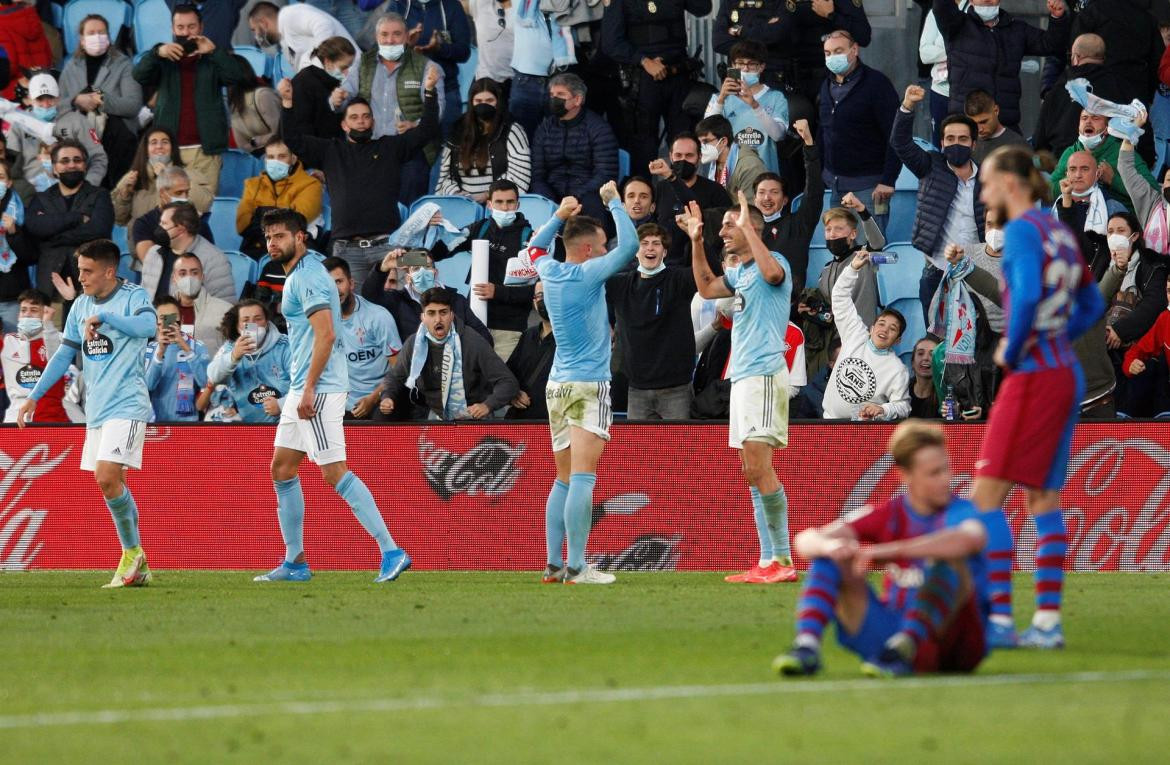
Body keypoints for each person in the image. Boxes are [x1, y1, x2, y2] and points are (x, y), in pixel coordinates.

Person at [970, 144, 1104, 650]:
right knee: (1042, 497)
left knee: (985, 500)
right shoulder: (1059, 232)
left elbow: (1024, 296)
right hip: (1063, 372)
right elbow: (1092, 301)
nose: (984, 192)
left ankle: (999, 620)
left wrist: (1017, 341)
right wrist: (1057, 335)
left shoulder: (1026, 229)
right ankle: (1046, 622)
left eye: (986, 183)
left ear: (1010, 183)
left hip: (1033, 375)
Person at [256, 208, 411, 584]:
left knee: (334, 472)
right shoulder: (304, 272)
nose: (273, 243)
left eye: (280, 236)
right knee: (282, 469)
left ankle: (391, 550)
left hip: (319, 389)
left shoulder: (308, 278)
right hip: (303, 387)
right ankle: (295, 562)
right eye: (269, 238)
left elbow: (326, 335)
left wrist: (308, 387)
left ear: (300, 237)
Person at [772, 421, 989, 677]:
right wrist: (831, 545)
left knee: (949, 559)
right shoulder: (888, 513)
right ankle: (807, 646)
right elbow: (805, 540)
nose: (946, 480)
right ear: (905, 475)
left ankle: (906, 645)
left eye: (946, 470)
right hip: (890, 635)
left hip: (953, 645)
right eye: (934, 473)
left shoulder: (962, 511)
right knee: (829, 556)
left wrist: (884, 552)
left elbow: (967, 540)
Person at [16, 239, 157, 588]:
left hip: (127, 403)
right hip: (97, 409)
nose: (80, 277)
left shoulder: (134, 297)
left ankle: (131, 555)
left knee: (108, 477)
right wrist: (34, 396)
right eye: (79, 270)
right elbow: (64, 355)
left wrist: (107, 316)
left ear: (109, 271)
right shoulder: (79, 306)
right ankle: (136, 558)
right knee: (110, 483)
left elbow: (148, 329)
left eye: (87, 271)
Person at [524, 182, 635, 584]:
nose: (606, 250)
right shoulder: (588, 273)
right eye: (601, 245)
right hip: (589, 384)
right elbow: (631, 247)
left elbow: (533, 249)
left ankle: (554, 563)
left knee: (564, 477)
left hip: (557, 386)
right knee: (584, 477)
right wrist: (615, 204)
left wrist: (558, 216)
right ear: (588, 249)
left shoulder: (549, 270)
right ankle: (577, 566)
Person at [687, 193, 797, 584]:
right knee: (750, 472)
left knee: (757, 467)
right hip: (743, 379)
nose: (723, 232)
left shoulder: (775, 262)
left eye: (728, 225)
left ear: (751, 226)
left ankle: (783, 559)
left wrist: (750, 228)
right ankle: (767, 560)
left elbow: (773, 277)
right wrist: (697, 240)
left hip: (765, 376)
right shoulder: (740, 275)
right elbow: (704, 286)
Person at [279, 61, 440, 293]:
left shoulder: (390, 147)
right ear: (344, 124)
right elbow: (293, 140)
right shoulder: (330, 150)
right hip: (346, 250)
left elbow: (427, 130)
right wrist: (287, 104)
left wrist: (430, 92)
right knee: (350, 311)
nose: (361, 121)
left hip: (389, 246)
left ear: (373, 122)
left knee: (401, 302)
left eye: (366, 117)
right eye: (354, 117)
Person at [132, 3, 252, 195]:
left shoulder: (212, 59)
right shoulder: (163, 59)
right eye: (180, 27)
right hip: (170, 151)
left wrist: (214, 52)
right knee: (168, 209)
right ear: (172, 29)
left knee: (204, 207)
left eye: (191, 27)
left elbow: (237, 76)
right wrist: (157, 52)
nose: (186, 32)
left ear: (201, 27)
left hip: (205, 151)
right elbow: (139, 75)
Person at [894, 85, 986, 324]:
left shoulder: (989, 177)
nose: (957, 144)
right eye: (951, 139)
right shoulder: (930, 166)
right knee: (935, 340)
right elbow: (900, 143)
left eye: (963, 139)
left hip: (977, 272)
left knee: (976, 341)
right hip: (936, 271)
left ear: (974, 144)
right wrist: (908, 106)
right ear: (942, 144)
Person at [336, 12, 446, 202]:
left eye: (396, 34)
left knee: (409, 206)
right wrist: (338, 98)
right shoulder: (363, 63)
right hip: (370, 148)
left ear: (406, 36)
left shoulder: (427, 67)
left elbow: (438, 110)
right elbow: (345, 96)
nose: (390, 40)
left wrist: (416, 125)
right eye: (384, 35)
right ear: (376, 37)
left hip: (409, 149)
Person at [600, 0, 711, 173]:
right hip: (642, 80)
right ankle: (645, 195)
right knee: (643, 145)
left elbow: (703, 8)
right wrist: (644, 61)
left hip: (678, 74)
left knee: (683, 139)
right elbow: (611, 43)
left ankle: (685, 195)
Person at [380, 286, 518, 420]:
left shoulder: (472, 341)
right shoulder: (414, 343)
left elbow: (508, 381)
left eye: (443, 312)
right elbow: (394, 377)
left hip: (475, 414)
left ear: (452, 315)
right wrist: (387, 396)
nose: (438, 319)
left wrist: (487, 405)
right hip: (437, 415)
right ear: (423, 317)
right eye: (431, 313)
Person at [931, 0, 1071, 132]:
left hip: (1005, 124)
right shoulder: (957, 25)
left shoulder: (1016, 29)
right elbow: (941, 6)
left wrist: (1057, 18)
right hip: (966, 123)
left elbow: (1051, 44)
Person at [712, 0, 872, 114]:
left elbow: (863, 36)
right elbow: (773, 33)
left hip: (825, 75)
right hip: (783, 77)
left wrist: (831, 15)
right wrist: (755, 35)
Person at [606, 222, 697, 420]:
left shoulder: (679, 279)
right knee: (640, 451)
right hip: (636, 389)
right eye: (644, 243)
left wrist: (697, 239)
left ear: (664, 252)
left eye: (656, 243)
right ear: (635, 251)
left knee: (679, 450)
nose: (649, 248)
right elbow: (587, 289)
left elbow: (711, 272)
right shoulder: (619, 284)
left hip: (676, 390)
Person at [437, 180, 534, 358]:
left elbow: (535, 291)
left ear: (518, 204)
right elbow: (440, 251)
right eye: (499, 202)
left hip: (509, 328)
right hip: (473, 323)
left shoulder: (529, 239)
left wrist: (497, 292)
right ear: (489, 204)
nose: (505, 208)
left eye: (510, 202)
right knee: (472, 381)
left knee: (501, 381)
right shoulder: (479, 229)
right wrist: (434, 229)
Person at [818, 30, 901, 231]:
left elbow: (897, 134)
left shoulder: (877, 84)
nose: (832, 57)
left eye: (838, 51)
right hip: (835, 187)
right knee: (841, 252)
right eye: (828, 53)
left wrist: (888, 179)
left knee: (868, 253)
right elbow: (824, 132)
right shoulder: (826, 85)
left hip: (869, 188)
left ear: (854, 50)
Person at [822, 251, 910, 421]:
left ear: (898, 340)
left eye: (892, 329)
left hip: (865, 432)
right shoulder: (855, 334)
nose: (884, 330)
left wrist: (883, 409)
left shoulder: (897, 369)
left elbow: (903, 406)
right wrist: (853, 268)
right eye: (881, 324)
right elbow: (839, 297)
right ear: (871, 328)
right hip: (829, 423)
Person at [57, 13, 144, 185]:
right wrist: (76, 101)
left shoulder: (123, 64)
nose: (97, 36)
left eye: (101, 32)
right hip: (80, 135)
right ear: (82, 39)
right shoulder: (71, 67)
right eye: (91, 33)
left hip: (117, 137)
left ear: (108, 37)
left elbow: (133, 105)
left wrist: (101, 99)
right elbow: (59, 106)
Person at [1096, 212, 1168, 415]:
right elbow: (1092, 301)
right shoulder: (1100, 261)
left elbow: (1154, 305)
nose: (1114, 236)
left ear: (1134, 236)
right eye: (1110, 231)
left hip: (1137, 344)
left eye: (1121, 231)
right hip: (1102, 343)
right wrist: (1107, 333)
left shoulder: (1153, 265)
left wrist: (1120, 331)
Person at [1033, 34, 1144, 163]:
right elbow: (1140, 127)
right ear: (1103, 58)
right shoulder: (1122, 87)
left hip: (1064, 166)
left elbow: (1039, 143)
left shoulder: (1058, 90)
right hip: (1113, 166)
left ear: (1076, 57)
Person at [25, 140, 114, 300]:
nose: (71, 165)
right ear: (54, 168)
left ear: (85, 165)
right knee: (52, 325)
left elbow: (99, 229)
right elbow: (35, 226)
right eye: (65, 161)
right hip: (50, 287)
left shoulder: (100, 195)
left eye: (77, 160)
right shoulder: (41, 198)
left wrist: (53, 237)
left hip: (93, 285)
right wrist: (77, 218)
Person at [530, 73, 619, 222]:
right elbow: (537, 174)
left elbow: (605, 174)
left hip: (587, 196)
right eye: (552, 95)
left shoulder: (598, 128)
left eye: (560, 94)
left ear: (577, 99)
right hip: (552, 196)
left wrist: (574, 198)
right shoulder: (544, 128)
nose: (553, 99)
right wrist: (550, 201)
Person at [113, 127, 215, 255]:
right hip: (142, 256)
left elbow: (204, 203)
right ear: (145, 149)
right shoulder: (134, 178)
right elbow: (119, 219)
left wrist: (168, 176)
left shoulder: (189, 174)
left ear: (173, 148)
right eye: (153, 142)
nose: (159, 146)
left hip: (185, 256)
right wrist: (124, 194)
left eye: (165, 142)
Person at [379, 0, 472, 135]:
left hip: (446, 90)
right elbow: (382, 53)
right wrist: (406, 45)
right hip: (407, 95)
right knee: (411, 152)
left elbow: (464, 52)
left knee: (449, 148)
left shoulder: (451, 6)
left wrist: (440, 48)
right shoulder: (398, 5)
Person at [324, 256, 402, 419]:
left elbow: (399, 368)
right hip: (343, 403)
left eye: (339, 282)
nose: (334, 290)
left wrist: (372, 398)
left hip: (381, 398)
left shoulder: (378, 317)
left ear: (351, 284)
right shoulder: (321, 322)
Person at [362, 249, 491, 344]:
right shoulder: (398, 301)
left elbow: (484, 338)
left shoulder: (456, 300)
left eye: (427, 267)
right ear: (408, 278)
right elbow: (369, 295)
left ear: (435, 273)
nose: (422, 272)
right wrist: (383, 267)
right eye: (416, 268)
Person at [753, 119, 822, 296]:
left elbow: (814, 191)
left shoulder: (798, 224)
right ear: (754, 199)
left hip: (788, 304)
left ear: (784, 200)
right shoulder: (746, 229)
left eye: (774, 192)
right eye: (761, 193)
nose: (767, 197)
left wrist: (809, 144)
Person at [435, 78, 531, 200]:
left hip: (499, 205)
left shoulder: (512, 130)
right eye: (478, 101)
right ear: (471, 102)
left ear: (498, 102)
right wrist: (455, 194)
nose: (483, 104)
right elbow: (444, 176)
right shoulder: (458, 130)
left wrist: (488, 195)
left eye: (489, 100)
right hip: (463, 206)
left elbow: (520, 176)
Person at [704, 41, 789, 174]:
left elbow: (778, 135)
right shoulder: (718, 98)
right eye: (740, 63)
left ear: (761, 67)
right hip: (727, 175)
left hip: (764, 177)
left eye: (751, 64)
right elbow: (706, 135)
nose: (745, 68)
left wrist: (755, 105)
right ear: (733, 65)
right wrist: (721, 100)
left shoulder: (776, 97)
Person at [647, 133, 732, 267]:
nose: (683, 160)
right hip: (664, 264)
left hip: (702, 264)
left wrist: (671, 177)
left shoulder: (715, 191)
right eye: (678, 155)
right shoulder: (660, 189)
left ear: (699, 157)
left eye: (689, 156)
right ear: (670, 156)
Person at [14, 72, 109, 190]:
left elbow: (98, 157)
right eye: (39, 99)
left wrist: (88, 186)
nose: (45, 104)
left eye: (51, 98)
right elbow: (10, 163)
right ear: (30, 100)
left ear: (58, 97)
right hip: (32, 192)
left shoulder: (78, 120)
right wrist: (22, 191)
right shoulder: (19, 124)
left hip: (74, 188)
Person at [206, 298, 291, 423]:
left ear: (267, 322)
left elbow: (305, 384)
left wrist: (282, 404)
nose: (253, 325)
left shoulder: (284, 345)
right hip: (250, 429)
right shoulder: (230, 348)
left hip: (285, 425)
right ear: (237, 326)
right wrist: (233, 357)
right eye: (246, 320)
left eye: (258, 319)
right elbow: (213, 376)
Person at [237, 138, 324, 258]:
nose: (276, 161)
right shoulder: (253, 185)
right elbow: (243, 225)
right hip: (258, 247)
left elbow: (295, 222)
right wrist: (280, 213)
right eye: (271, 157)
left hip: (295, 248)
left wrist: (260, 213)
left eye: (282, 156)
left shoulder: (311, 185)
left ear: (293, 159)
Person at [1052, 151, 1128, 278]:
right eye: (1072, 169)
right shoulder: (1055, 206)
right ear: (1066, 174)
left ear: (1097, 174)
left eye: (1085, 169)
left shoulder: (1113, 207)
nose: (1078, 175)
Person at [2, 289, 74, 422]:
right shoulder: (8, 341)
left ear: (46, 312)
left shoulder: (58, 338)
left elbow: (56, 362)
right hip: (16, 418)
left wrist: (48, 325)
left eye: (34, 310)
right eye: (23, 310)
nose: (27, 315)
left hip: (52, 417)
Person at [141, 204, 236, 303]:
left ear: (181, 229)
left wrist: (167, 318)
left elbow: (224, 308)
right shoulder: (154, 253)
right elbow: (143, 297)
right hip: (153, 316)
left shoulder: (214, 260)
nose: (159, 227)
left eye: (164, 223)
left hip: (187, 317)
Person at [128, 166, 214, 266]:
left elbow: (211, 262)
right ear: (162, 193)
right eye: (179, 193)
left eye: (187, 192)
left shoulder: (198, 224)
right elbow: (151, 263)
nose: (184, 198)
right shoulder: (144, 223)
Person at [144, 295, 211, 423]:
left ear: (182, 318)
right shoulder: (150, 349)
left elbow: (205, 383)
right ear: (156, 321)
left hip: (188, 424)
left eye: (172, 317)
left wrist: (185, 348)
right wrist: (160, 353)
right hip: (156, 424)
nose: (168, 323)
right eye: (163, 318)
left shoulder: (197, 347)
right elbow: (148, 386)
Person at [816, 204, 885, 327]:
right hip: (834, 339)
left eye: (838, 229)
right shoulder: (826, 270)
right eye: (828, 229)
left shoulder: (865, 257)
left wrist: (862, 210)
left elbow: (878, 242)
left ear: (853, 234)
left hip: (862, 335)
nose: (832, 234)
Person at [248, 1, 359, 75]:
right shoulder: (284, 39)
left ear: (263, 23)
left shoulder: (290, 15)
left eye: (254, 30)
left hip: (350, 75)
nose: (256, 36)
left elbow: (323, 24)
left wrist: (318, 63)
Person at [290, 36, 357, 142]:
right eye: (344, 67)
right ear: (328, 62)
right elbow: (303, 126)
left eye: (350, 67)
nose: (347, 73)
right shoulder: (304, 82)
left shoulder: (331, 81)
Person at [505, 281, 556, 420]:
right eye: (540, 296)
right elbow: (508, 374)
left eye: (550, 295)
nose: (545, 301)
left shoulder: (571, 339)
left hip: (555, 423)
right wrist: (513, 394)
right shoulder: (528, 335)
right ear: (534, 302)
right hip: (523, 421)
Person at [695, 115, 768, 202]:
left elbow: (752, 209)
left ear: (723, 141)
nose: (701, 147)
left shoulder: (750, 166)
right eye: (699, 143)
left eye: (706, 142)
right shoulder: (707, 163)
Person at [227, 58, 283, 155]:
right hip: (259, 157)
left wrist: (256, 141)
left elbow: (281, 132)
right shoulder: (232, 105)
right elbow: (242, 145)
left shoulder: (263, 96)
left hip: (280, 152)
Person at [0, 0, 51, 100]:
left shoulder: (2, 22)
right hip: (43, 88)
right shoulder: (32, 16)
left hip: (15, 95)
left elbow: (6, 70)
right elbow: (48, 56)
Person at [965, 90, 1028, 165]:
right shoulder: (967, 143)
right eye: (973, 123)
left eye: (983, 122)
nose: (979, 129)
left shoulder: (1018, 146)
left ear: (996, 110)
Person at [469, 0, 514, 87]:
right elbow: (454, 5)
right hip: (485, 79)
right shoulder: (481, 4)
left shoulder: (523, 7)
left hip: (516, 80)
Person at [908, 336, 941, 418]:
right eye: (920, 353)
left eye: (932, 354)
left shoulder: (946, 394)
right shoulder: (901, 391)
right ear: (912, 362)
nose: (925, 358)